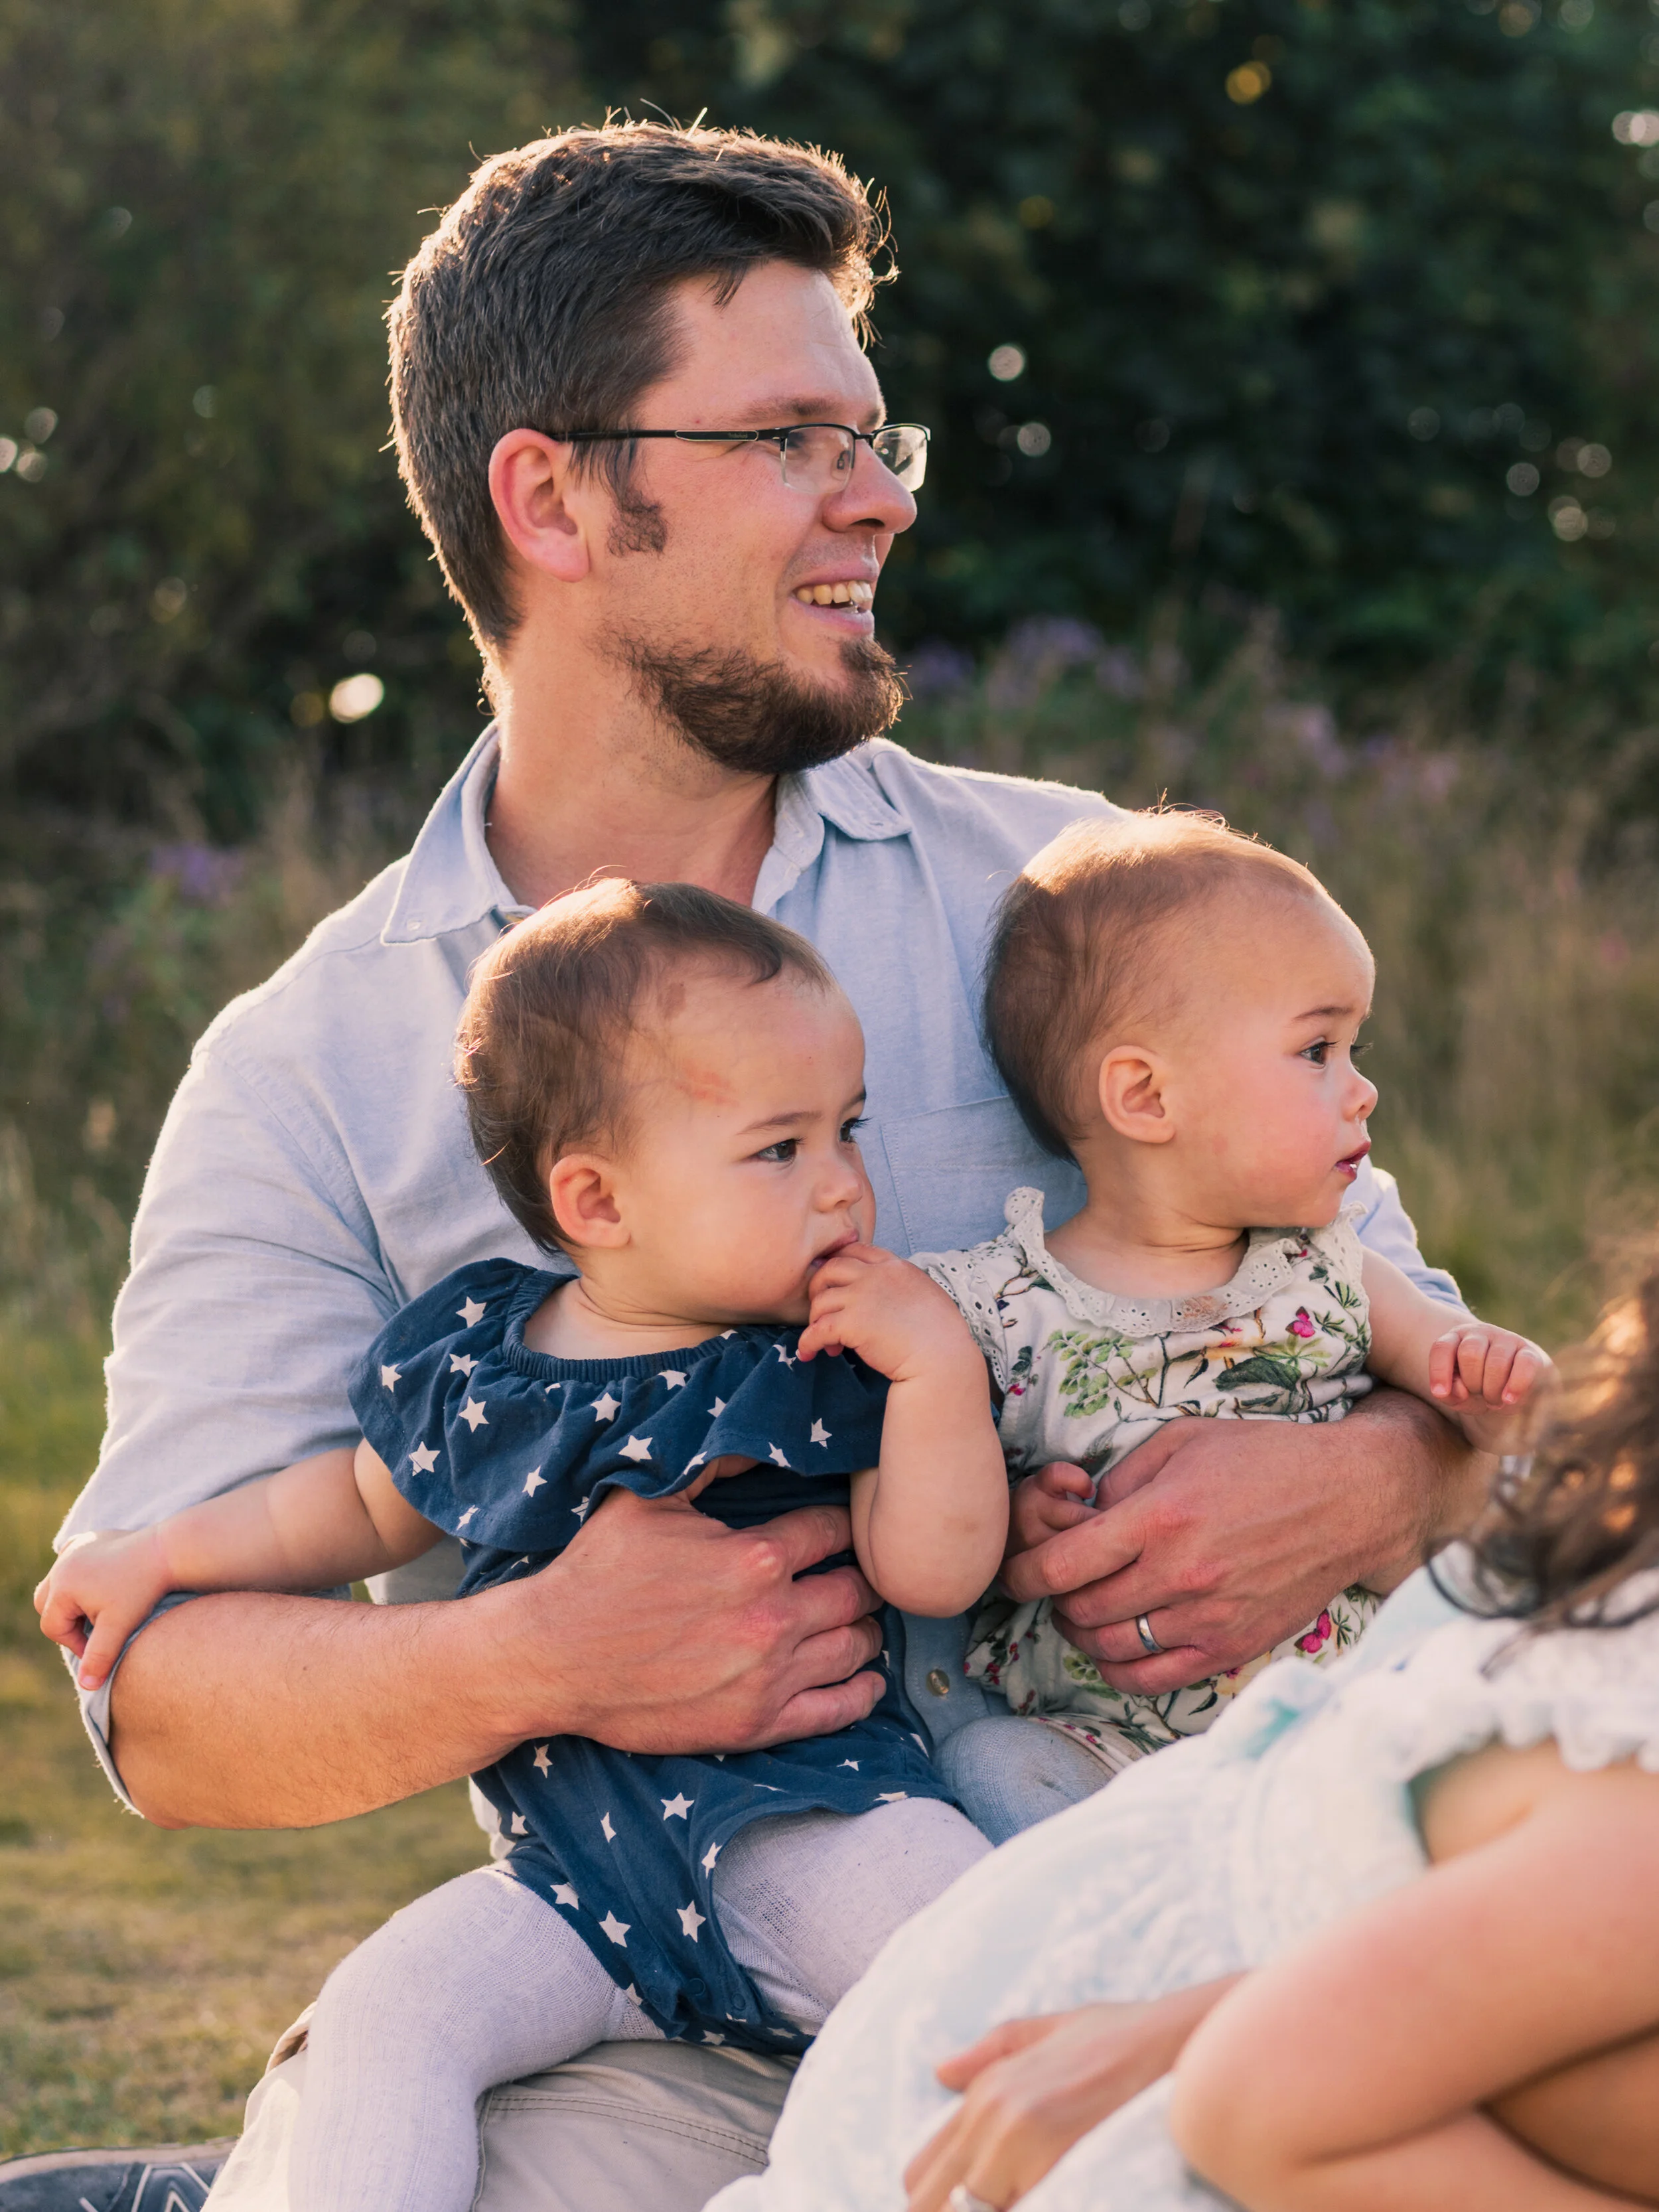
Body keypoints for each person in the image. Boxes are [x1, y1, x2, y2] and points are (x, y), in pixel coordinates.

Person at [18, 118, 1482, 2212]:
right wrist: (540, 1654)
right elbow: (161, 1704)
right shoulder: (310, 1068)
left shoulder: (1084, 900)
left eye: (872, 437)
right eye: (791, 439)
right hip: (668, 1996)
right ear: (550, 498)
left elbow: (1487, 1411)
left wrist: (1376, 1477)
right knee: (399, 2129)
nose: (878, 496)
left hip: (1157, 1937)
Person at [38, 878, 1007, 2212]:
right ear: (597, 1199)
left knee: (982, 1975)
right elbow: (343, 1509)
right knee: (389, 2013)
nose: (844, 1182)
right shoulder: (480, 1360)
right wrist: (158, 1556)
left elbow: (933, 1569)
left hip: (819, 1828)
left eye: (848, 1128)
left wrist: (939, 1374)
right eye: (779, 1148)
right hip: (574, 1885)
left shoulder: (825, 1354)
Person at [708, 1257, 1659, 2212]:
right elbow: (1265, 2099)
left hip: (1058, 2056)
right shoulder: (1621, 1808)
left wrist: (1183, 2023)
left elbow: (1304, 2069)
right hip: (1026, 2097)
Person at [914, 810, 1548, 1776]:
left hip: (1346, 1708)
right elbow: (953, 1516)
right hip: (1111, 1741)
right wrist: (1016, 1522)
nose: (1363, 1090)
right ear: (1146, 1097)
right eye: (1317, 1050)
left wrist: (1495, 1383)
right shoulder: (1003, 1308)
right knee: (999, 1765)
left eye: (1355, 1050)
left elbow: (1486, 1401)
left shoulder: (1327, 1266)